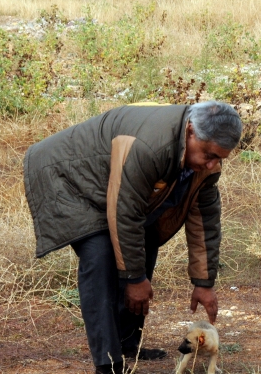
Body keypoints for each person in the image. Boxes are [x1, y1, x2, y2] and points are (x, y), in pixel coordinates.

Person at [23, 101, 242, 373]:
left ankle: (128, 344)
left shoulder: (206, 164)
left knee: (146, 239)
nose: (211, 164)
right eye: (208, 154)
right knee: (100, 256)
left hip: (112, 181)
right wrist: (135, 279)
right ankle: (108, 363)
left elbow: (204, 221)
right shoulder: (150, 146)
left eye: (219, 158)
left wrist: (204, 282)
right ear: (190, 131)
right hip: (66, 176)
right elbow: (125, 212)